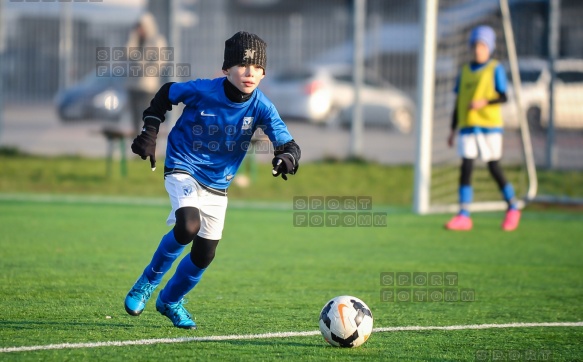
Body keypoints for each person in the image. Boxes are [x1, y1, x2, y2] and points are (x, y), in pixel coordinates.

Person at [124, 31, 301, 329]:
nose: (250, 73)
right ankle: (145, 284)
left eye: (257, 67)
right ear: (226, 69)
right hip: (183, 166)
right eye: (243, 65)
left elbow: (289, 145)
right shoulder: (204, 90)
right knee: (188, 225)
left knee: (205, 254)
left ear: (263, 73)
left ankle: (169, 301)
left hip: (218, 185)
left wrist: (286, 159)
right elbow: (166, 93)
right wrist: (150, 133)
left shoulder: (262, 107)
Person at [445, 25, 520, 232]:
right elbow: (458, 101)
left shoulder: (495, 68)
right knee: (466, 166)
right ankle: (464, 215)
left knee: (493, 167)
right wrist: (452, 130)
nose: (478, 50)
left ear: (489, 48)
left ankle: (513, 207)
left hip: (489, 127)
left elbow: (503, 96)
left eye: (482, 46)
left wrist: (484, 102)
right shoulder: (465, 71)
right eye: (476, 45)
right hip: (467, 126)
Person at [126, 12, 167, 134]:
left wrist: (145, 69)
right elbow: (128, 54)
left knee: (148, 115)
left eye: (141, 26)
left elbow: (161, 61)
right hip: (133, 85)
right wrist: (133, 38)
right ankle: (136, 142)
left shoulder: (157, 40)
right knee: (134, 116)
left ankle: (148, 140)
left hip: (148, 86)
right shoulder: (136, 40)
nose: (139, 29)